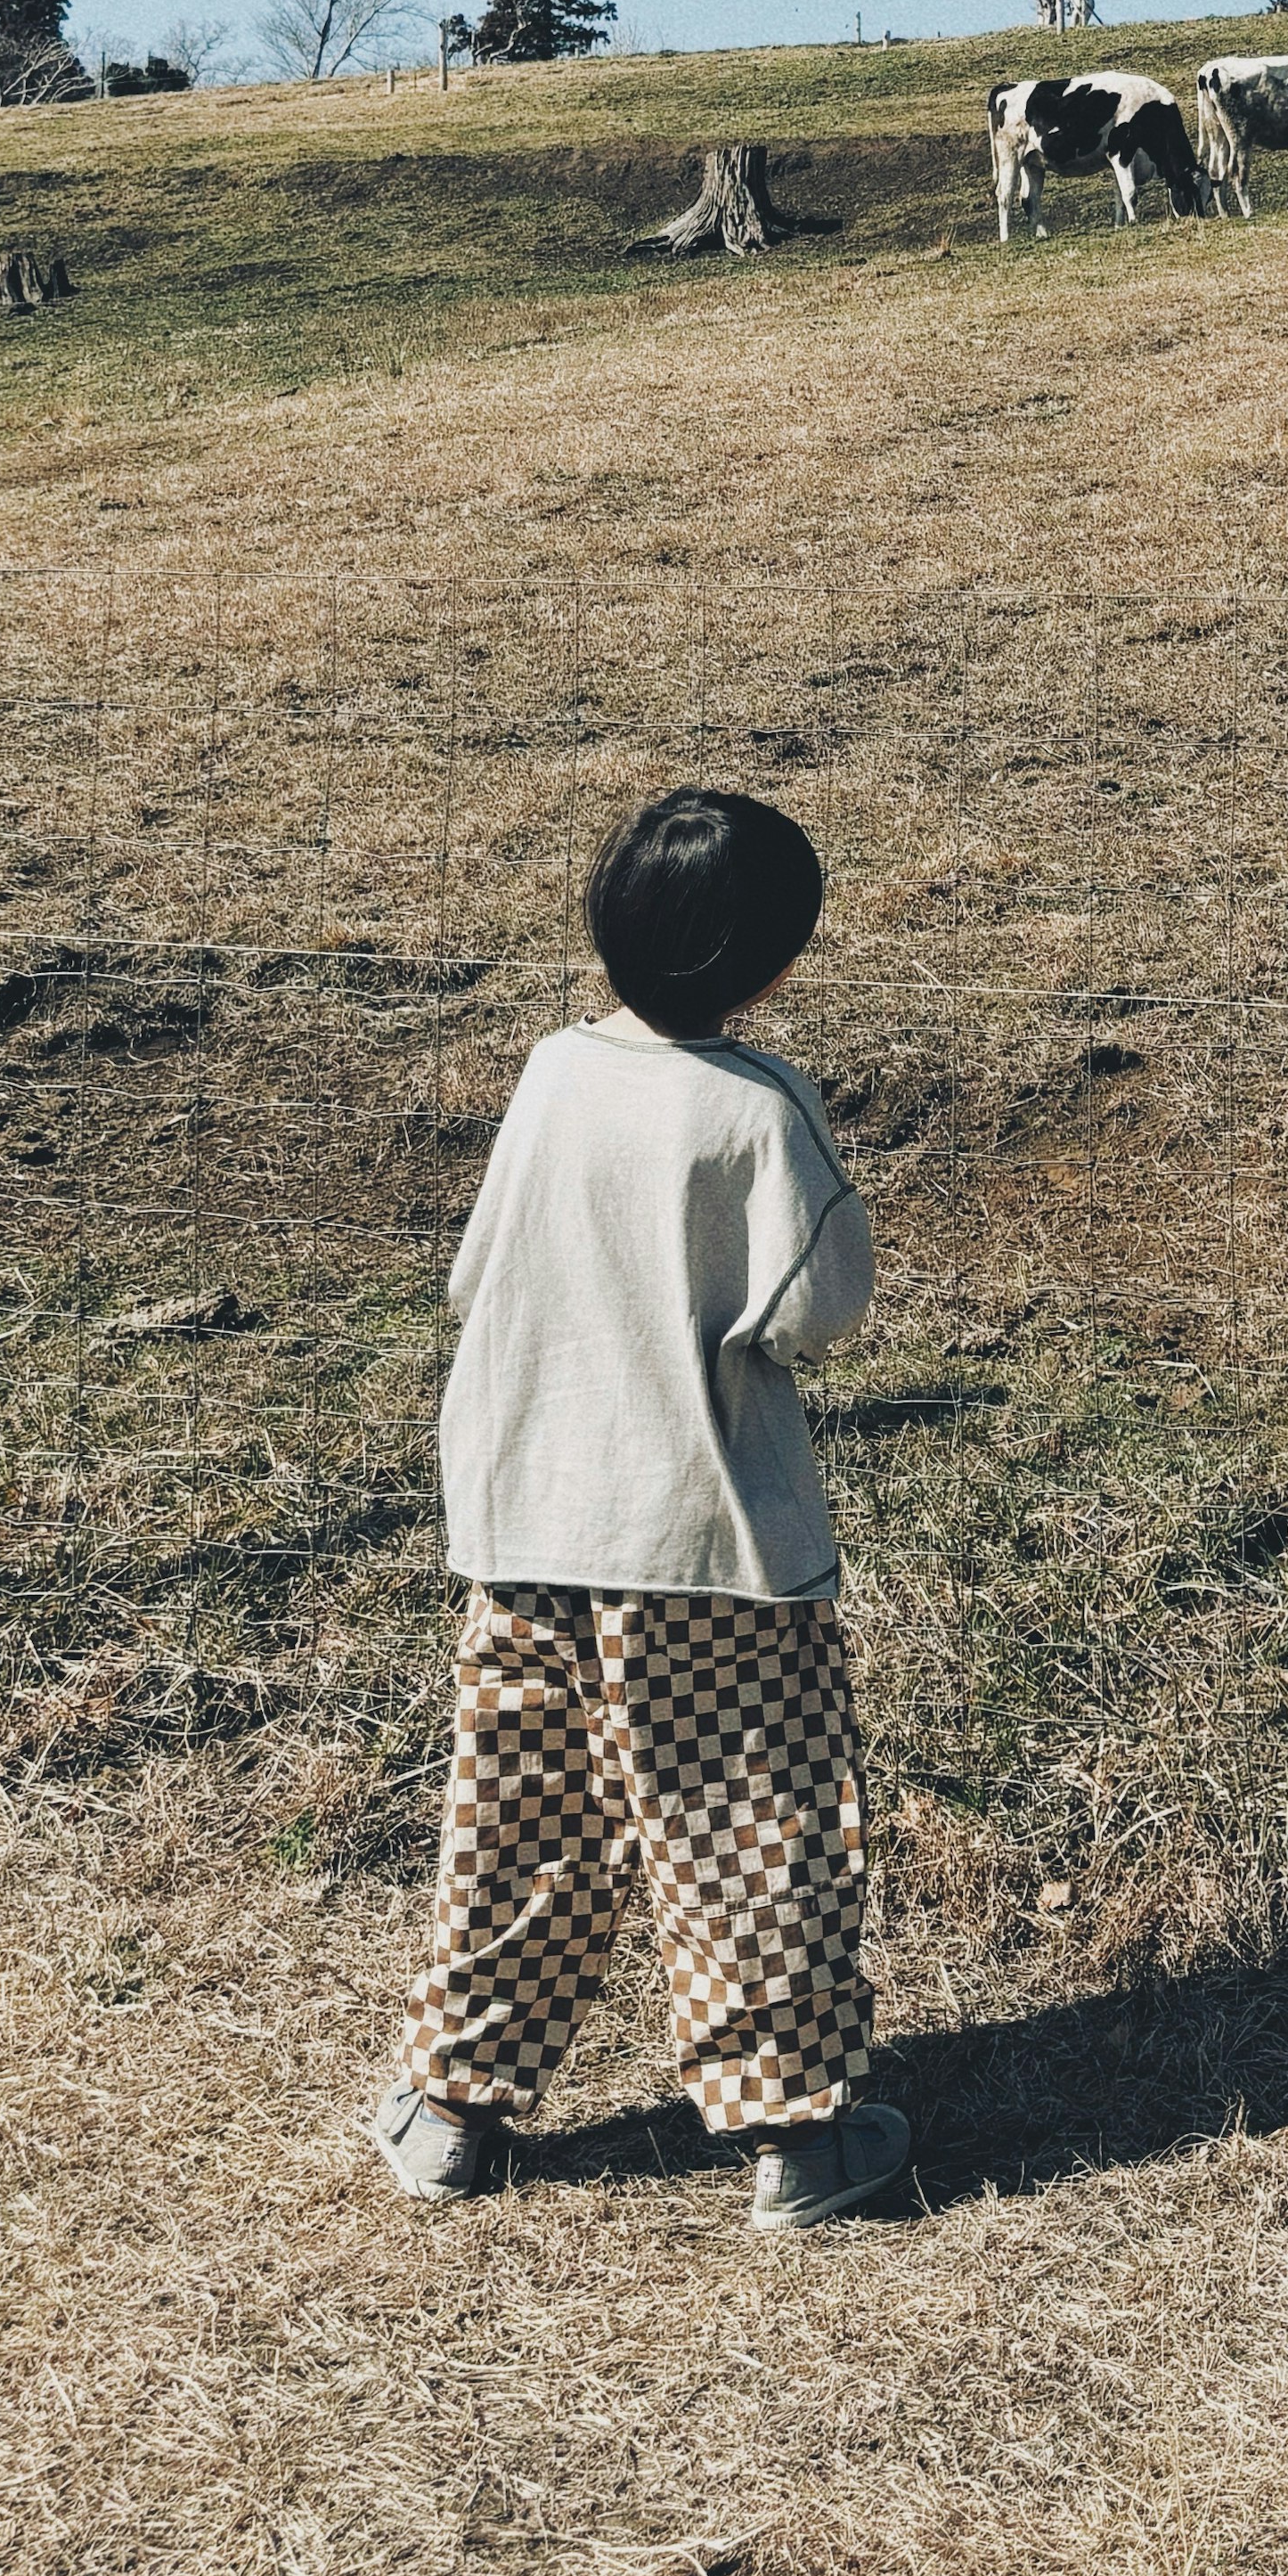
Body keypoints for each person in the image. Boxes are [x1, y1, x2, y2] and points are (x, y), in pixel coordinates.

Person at [372, 785, 909, 2230]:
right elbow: (823, 1303)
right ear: (771, 956)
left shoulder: (551, 1071)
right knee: (748, 1830)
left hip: (526, 1516)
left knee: (519, 1817)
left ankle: (453, 2111)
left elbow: (474, 1275)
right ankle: (799, 2133)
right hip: (703, 1539)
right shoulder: (758, 1106)